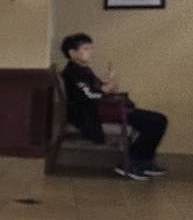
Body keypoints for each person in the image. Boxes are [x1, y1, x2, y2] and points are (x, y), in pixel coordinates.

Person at [60, 32, 168, 180]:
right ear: (72, 53)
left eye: (91, 48)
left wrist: (106, 86)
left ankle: (141, 161)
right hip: (92, 113)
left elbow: (94, 89)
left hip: (103, 108)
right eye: (85, 49)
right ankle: (132, 163)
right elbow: (88, 96)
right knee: (156, 121)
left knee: (157, 120)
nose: (90, 52)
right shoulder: (72, 72)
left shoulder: (83, 69)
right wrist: (104, 90)